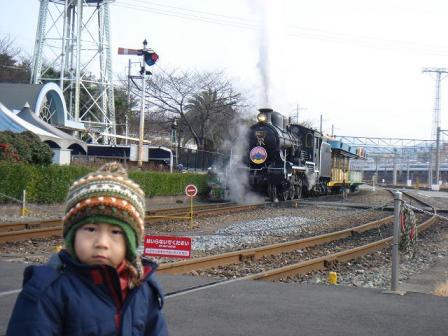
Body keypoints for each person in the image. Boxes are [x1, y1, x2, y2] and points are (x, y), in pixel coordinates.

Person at [7, 162, 168, 336]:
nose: (102, 243)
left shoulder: (141, 288)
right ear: (72, 235)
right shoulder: (47, 292)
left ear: (130, 243)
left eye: (115, 232)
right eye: (90, 229)